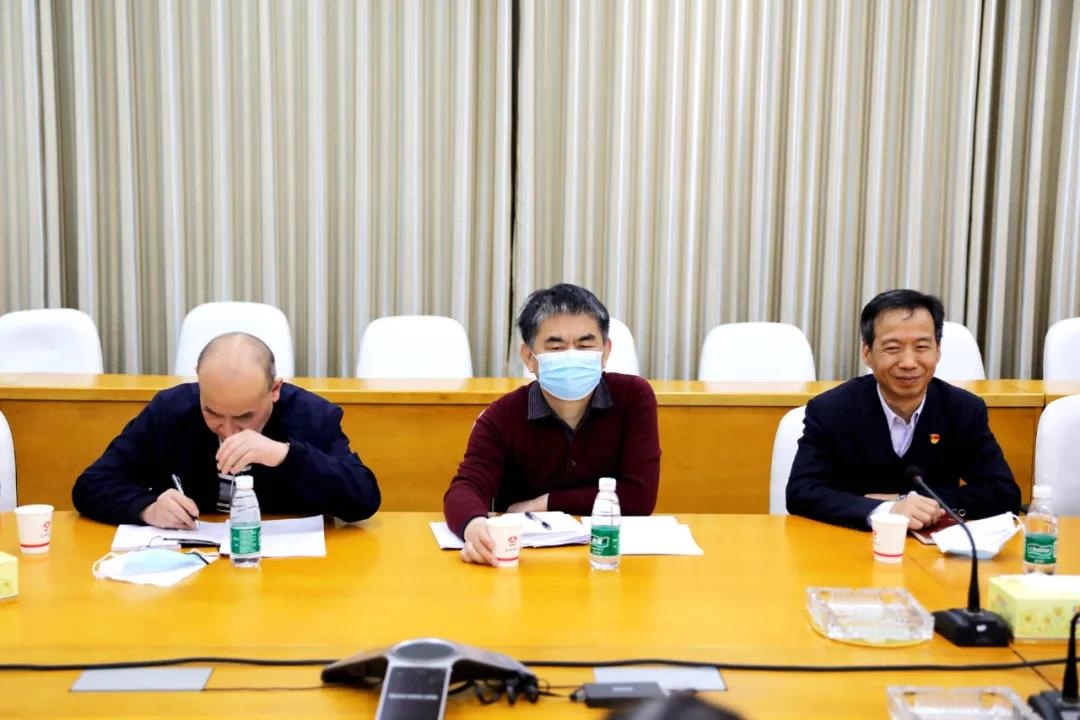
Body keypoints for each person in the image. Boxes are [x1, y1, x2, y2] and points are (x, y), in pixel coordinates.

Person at [443, 283, 661, 566]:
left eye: (585, 345)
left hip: (607, 559)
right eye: (556, 347)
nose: (571, 355)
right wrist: (473, 526)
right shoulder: (502, 416)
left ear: (606, 351)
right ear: (529, 357)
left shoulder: (633, 397)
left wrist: (545, 502)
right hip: (524, 562)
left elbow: (639, 497)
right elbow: (465, 490)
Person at [73, 332, 380, 527]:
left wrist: (285, 455)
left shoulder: (311, 416)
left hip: (287, 575)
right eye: (212, 412)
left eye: (244, 416)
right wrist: (147, 508)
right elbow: (91, 485)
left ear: (274, 390)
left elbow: (363, 499)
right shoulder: (171, 410)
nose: (228, 430)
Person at [786, 289, 1020, 530]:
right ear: (867, 353)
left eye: (921, 347)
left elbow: (1003, 494)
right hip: (851, 542)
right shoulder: (832, 410)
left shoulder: (963, 410)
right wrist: (885, 510)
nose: (909, 362)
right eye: (892, 348)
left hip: (935, 547)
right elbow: (802, 492)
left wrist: (912, 502)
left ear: (938, 350)